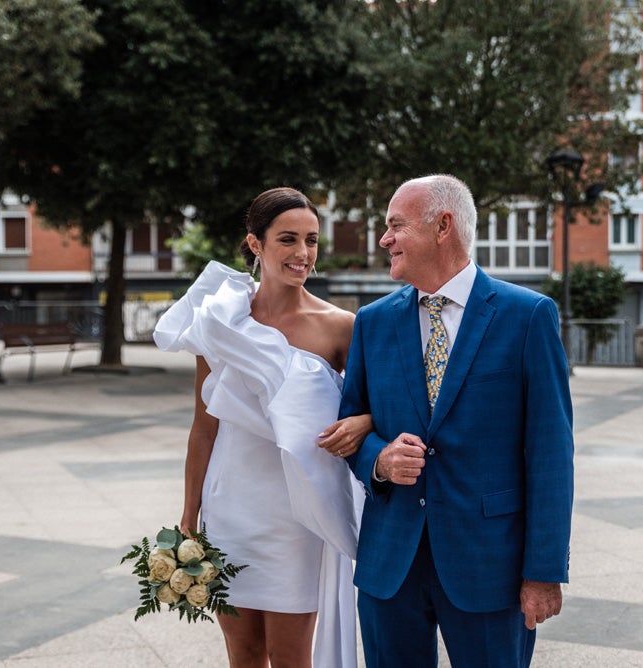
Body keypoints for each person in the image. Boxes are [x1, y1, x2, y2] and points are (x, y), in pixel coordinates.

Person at [339, 174, 575, 667]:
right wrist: (379, 459)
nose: (384, 239)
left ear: (443, 226)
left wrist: (543, 571)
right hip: (390, 565)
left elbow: (552, 454)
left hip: (491, 566)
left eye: (395, 225)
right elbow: (351, 427)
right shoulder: (372, 322)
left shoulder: (527, 315)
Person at [153, 187, 369, 668]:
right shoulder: (220, 322)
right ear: (255, 244)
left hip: (298, 515)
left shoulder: (340, 327)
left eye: (311, 240)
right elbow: (204, 427)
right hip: (231, 509)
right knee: (243, 654)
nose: (302, 254)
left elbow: (377, 408)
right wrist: (190, 514)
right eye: (287, 239)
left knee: (291, 657)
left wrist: (364, 420)